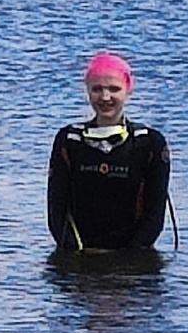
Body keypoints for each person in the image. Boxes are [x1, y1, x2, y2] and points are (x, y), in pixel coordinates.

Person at [47, 51, 171, 252]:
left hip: (133, 259)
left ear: (128, 90)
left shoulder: (150, 143)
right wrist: (75, 255)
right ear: (87, 90)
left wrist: (127, 262)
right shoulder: (69, 141)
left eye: (114, 89)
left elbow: (154, 216)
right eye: (97, 89)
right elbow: (57, 210)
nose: (105, 97)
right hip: (78, 256)